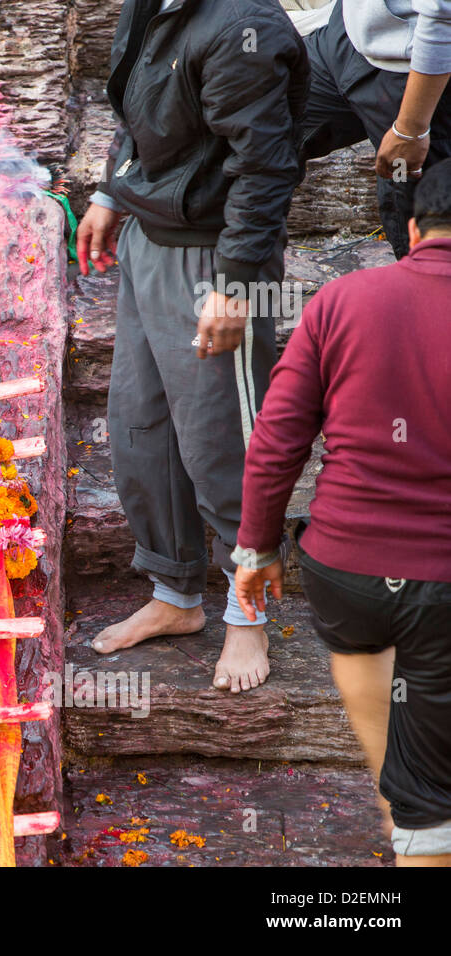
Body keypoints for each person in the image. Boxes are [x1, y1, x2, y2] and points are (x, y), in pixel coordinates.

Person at [75, 0, 309, 692]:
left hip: (213, 257)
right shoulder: (151, 5)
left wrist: (235, 285)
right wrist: (112, 191)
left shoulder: (245, 28)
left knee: (219, 442)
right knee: (138, 424)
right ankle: (176, 595)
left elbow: (265, 167)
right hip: (150, 236)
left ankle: (247, 609)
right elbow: (137, 116)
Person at [234, 160, 451, 866]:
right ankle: (422, 824)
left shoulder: (340, 300)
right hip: (441, 586)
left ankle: (409, 813)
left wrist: (257, 551)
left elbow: (275, 440)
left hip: (343, 572)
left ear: (415, 228)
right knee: (430, 787)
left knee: (395, 724)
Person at [299, 0, 451, 260]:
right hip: (347, 36)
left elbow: (442, 12)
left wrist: (411, 129)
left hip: (419, 71)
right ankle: (234, 282)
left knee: (420, 237)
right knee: (255, 129)